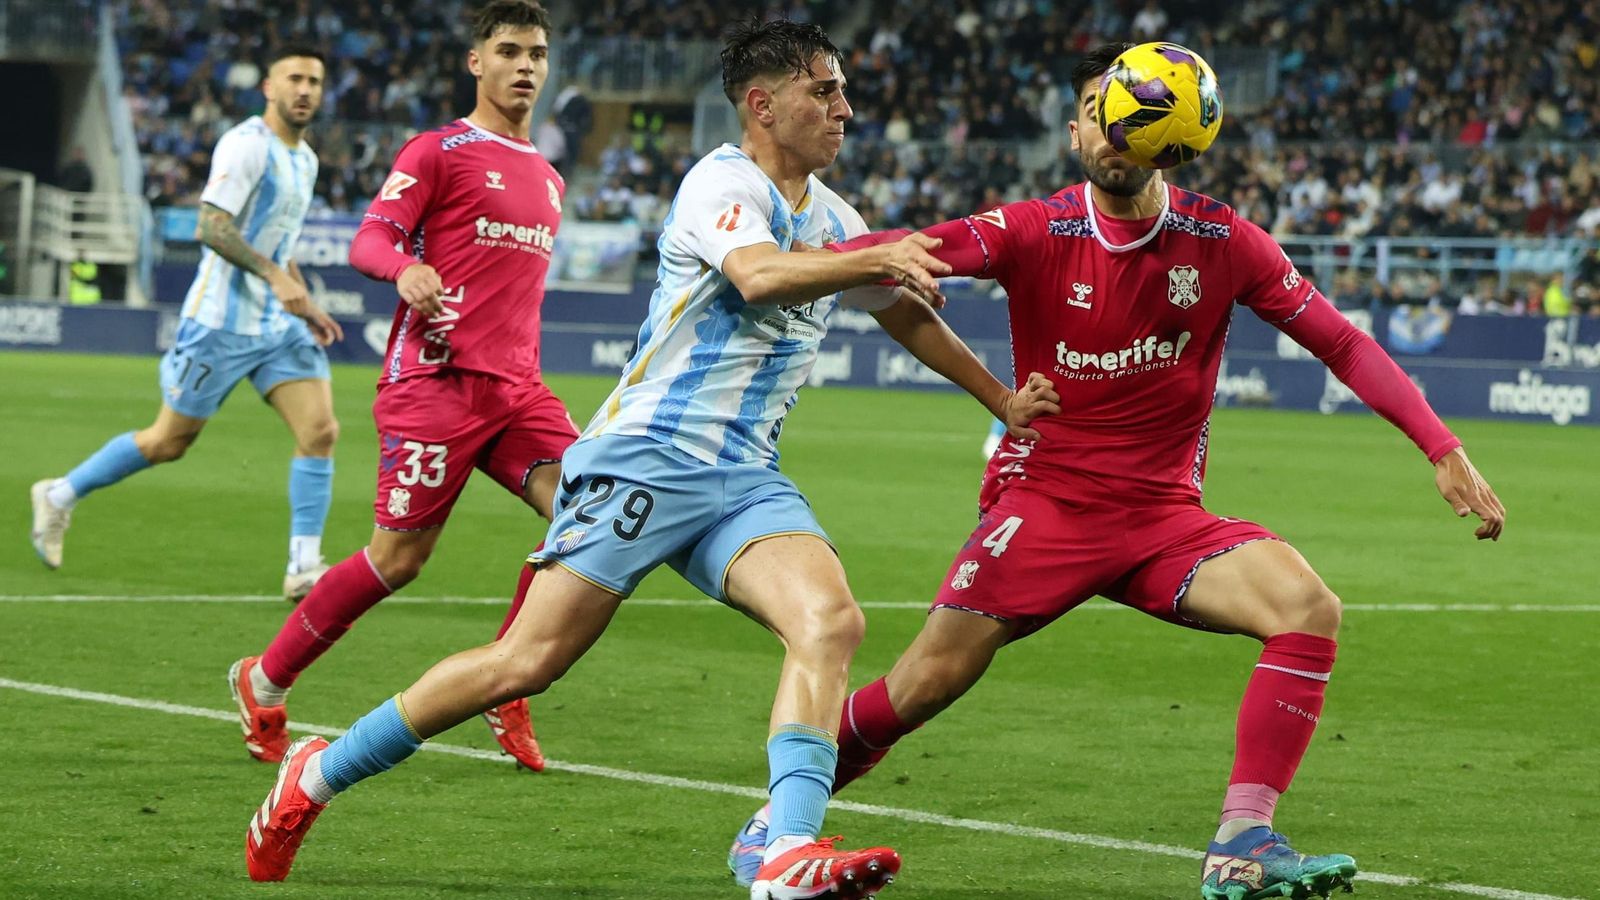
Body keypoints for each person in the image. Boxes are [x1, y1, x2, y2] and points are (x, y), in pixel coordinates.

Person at [242, 19, 1057, 898]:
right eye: (824, 90)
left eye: (842, 91)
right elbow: (756, 274)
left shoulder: (835, 219)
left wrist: (1002, 401)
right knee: (525, 663)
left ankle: (780, 849)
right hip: (644, 458)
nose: (844, 110)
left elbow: (901, 312)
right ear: (763, 103)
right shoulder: (721, 183)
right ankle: (315, 775)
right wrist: (871, 257)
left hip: (742, 478)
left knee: (832, 624)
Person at [725, 42, 1507, 900]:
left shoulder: (1224, 240)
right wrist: (806, 257)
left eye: (1130, 106)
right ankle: (778, 828)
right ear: (1078, 133)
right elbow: (895, 252)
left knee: (1307, 607)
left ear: (1173, 129)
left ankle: (1243, 844)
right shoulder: (1033, 228)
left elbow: (1342, 341)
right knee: (919, 686)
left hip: (1164, 516)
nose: (1118, 127)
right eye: (1101, 113)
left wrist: (1443, 448)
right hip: (1046, 505)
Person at [228, 0, 573, 776]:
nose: (526, 66)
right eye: (510, 50)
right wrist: (405, 267)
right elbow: (369, 237)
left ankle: (505, 678)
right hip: (436, 386)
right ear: (475, 62)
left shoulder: (548, 177)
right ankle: (264, 678)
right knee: (398, 559)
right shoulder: (439, 150)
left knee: (590, 513)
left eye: (538, 54)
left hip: (519, 391)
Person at [30, 46, 342, 603]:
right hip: (219, 324)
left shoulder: (306, 159)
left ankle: (302, 565)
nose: (305, 90)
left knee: (320, 432)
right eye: (294, 78)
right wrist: (274, 276)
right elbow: (211, 226)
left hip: (276, 327)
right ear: (268, 87)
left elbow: (280, 241)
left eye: (314, 81)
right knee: (168, 442)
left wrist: (304, 299)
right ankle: (59, 493)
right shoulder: (248, 146)